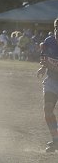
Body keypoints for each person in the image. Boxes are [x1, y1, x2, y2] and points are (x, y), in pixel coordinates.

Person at [37, 18, 58, 152]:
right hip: (52, 81)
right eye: (56, 27)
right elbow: (44, 57)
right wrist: (43, 68)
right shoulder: (49, 41)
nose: (57, 31)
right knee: (48, 109)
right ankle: (55, 140)